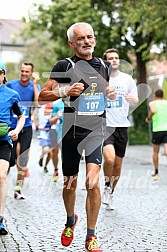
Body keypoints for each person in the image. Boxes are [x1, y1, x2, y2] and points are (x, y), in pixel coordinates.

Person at [38, 22, 116, 252]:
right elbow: (42, 96)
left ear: (94, 39)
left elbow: (105, 90)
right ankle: (71, 220)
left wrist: (109, 92)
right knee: (69, 184)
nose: (86, 42)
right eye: (80, 39)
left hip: (95, 131)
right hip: (71, 133)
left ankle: (91, 236)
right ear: (71, 43)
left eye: (89, 37)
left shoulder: (103, 64)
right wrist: (64, 91)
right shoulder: (65, 65)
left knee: (92, 182)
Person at [102, 48, 139, 210]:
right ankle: (105, 184)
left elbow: (135, 99)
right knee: (109, 159)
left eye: (116, 58)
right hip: (105, 125)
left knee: (117, 165)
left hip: (122, 126)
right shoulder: (101, 79)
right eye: (111, 58)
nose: (114, 60)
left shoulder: (127, 79)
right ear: (106, 61)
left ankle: (111, 192)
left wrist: (134, 99)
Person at [6, 62, 41, 199]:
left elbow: (38, 104)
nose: (24, 74)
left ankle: (18, 188)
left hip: (26, 127)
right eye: (22, 71)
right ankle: (3, 182)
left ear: (31, 73)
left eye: (27, 71)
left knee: (24, 159)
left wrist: (35, 84)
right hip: (11, 127)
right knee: (10, 159)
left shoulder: (35, 87)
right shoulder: (11, 85)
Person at [0, 62, 25, 235]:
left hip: (3, 141)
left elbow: (21, 116)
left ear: (3, 75)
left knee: (1, 177)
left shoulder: (11, 95)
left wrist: (15, 130)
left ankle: (0, 219)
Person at [145, 89, 167, 180]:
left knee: (155, 151)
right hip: (166, 128)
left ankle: (156, 172)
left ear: (155, 95)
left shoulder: (152, 103)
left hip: (157, 129)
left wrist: (148, 118)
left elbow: (153, 110)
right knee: (166, 149)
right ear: (163, 95)